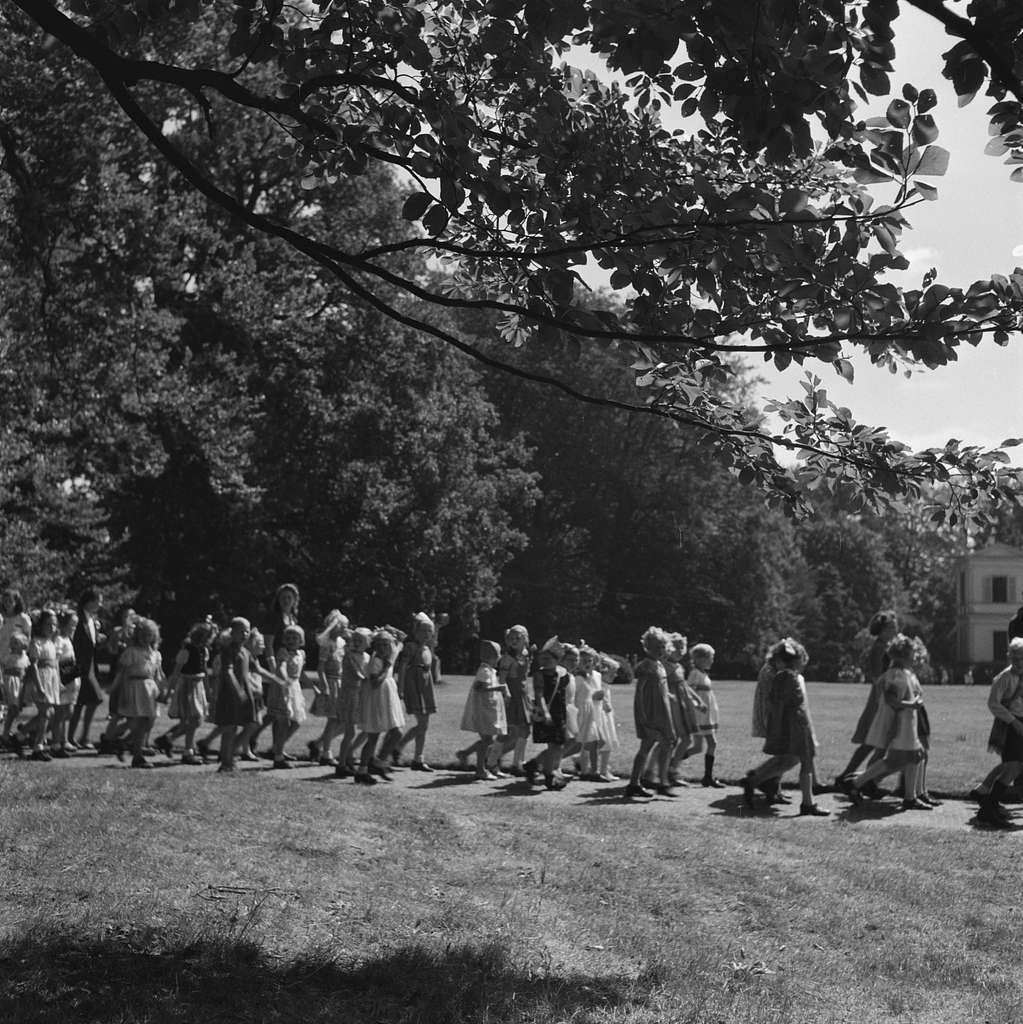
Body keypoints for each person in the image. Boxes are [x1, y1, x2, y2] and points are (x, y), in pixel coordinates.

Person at [742, 638, 829, 816]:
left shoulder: (784, 676)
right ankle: (807, 803)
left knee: (796, 760)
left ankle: (755, 780)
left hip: (796, 724)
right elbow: (780, 705)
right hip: (794, 726)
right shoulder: (787, 677)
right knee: (802, 760)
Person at [846, 634, 934, 810]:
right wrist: (912, 704)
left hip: (907, 723)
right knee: (904, 758)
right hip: (900, 724)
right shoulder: (895, 675)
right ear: (902, 656)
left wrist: (915, 699)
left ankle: (858, 783)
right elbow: (891, 700)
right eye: (911, 653)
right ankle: (856, 783)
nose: (914, 656)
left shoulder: (905, 673)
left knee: (909, 758)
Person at [836, 610, 899, 793]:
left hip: (884, 696)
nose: (895, 630)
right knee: (874, 742)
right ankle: (864, 781)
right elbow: (877, 676)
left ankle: (850, 777)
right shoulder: (879, 647)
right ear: (883, 629)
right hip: (881, 697)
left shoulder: (886, 646)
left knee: (872, 743)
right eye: (892, 627)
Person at [972, 637, 1023, 828]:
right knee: (1012, 768)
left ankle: (987, 802)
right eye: (1015, 658)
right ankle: (987, 809)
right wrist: (1013, 722)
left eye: (1022, 658)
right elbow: (993, 703)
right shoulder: (1004, 677)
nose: (1019, 662)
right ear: (1009, 657)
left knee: (1015, 768)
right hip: (1010, 725)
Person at [156, 620, 217, 765]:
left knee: (194, 720)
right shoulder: (187, 650)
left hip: (198, 685)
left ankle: (168, 740)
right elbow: (176, 672)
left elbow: (204, 671)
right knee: (193, 719)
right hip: (187, 686)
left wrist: (208, 692)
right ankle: (187, 751)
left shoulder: (204, 651)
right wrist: (168, 692)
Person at [627, 627, 677, 799]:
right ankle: (634, 783)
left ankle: (661, 781)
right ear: (647, 647)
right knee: (646, 746)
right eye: (656, 647)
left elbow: (661, 688)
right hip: (651, 713)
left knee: (668, 743)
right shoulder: (646, 666)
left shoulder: (660, 666)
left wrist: (669, 697)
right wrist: (642, 716)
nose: (660, 650)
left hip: (662, 712)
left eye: (662, 647)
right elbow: (640, 692)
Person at [112, 617, 165, 769]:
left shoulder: (155, 654)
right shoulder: (132, 652)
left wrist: (163, 690)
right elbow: (121, 672)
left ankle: (125, 743)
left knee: (149, 721)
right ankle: (137, 755)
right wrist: (117, 688)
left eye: (149, 635)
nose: (145, 638)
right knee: (137, 721)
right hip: (135, 687)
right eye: (142, 634)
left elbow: (158, 674)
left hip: (150, 689)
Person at [355, 629, 405, 785]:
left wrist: (390, 630)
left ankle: (379, 761)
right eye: (380, 644)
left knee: (397, 731)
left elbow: (402, 638)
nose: (384, 648)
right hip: (377, 701)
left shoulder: (391, 653)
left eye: (387, 644)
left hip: (388, 699)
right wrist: (387, 666)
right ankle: (363, 770)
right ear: (375, 646)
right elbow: (375, 683)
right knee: (373, 736)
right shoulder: (376, 661)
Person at [523, 636, 574, 791]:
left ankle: (534, 766)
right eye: (542, 658)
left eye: (548, 658)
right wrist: (546, 713)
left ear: (557, 659)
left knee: (559, 745)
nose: (544, 661)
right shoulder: (539, 675)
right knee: (554, 745)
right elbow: (539, 695)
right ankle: (549, 775)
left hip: (560, 714)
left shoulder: (562, 674)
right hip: (548, 713)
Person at [211, 618, 259, 773]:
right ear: (232, 632)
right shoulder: (228, 650)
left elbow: (257, 669)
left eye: (247, 630)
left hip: (246, 692)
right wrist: (238, 690)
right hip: (231, 694)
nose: (245, 634)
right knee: (230, 728)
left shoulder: (246, 651)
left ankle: (229, 756)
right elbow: (228, 671)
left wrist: (277, 679)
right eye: (241, 631)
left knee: (251, 724)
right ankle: (226, 762)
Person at [456, 639, 509, 780]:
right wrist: (499, 688)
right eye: (498, 655)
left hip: (487, 710)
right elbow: (479, 687)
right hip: (482, 710)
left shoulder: (490, 670)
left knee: (487, 740)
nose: (499, 658)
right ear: (492, 657)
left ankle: (466, 755)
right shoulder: (484, 670)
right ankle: (480, 769)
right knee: (487, 740)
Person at [394, 612, 440, 771]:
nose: (427, 634)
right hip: (414, 686)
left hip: (426, 687)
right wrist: (400, 689)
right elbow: (402, 668)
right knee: (422, 724)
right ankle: (399, 746)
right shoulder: (411, 647)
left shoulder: (427, 648)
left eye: (430, 631)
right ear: (416, 632)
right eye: (423, 631)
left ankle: (418, 758)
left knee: (424, 724)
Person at [486, 625, 532, 776]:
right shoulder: (507, 658)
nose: (514, 641)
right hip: (511, 697)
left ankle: (518, 763)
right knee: (506, 731)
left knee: (525, 730)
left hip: (522, 696)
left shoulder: (525, 654)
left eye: (518, 638)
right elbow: (502, 679)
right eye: (511, 638)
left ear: (525, 639)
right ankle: (492, 762)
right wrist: (504, 696)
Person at [310, 610, 349, 767]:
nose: (345, 629)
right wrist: (324, 686)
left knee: (343, 721)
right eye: (342, 626)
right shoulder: (327, 645)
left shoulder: (342, 643)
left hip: (340, 683)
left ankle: (318, 744)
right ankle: (326, 753)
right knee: (333, 719)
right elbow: (320, 668)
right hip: (331, 683)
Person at [68, 588, 104, 749]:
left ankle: (83, 736)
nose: (100, 604)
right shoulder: (78, 618)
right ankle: (71, 737)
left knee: (88, 701)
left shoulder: (92, 620)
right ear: (89, 601)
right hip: (80, 666)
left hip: (90, 666)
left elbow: (92, 642)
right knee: (82, 702)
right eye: (98, 601)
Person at [268, 624, 307, 769]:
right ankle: (278, 757)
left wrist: (314, 686)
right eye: (289, 637)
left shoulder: (301, 654)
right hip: (283, 688)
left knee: (296, 721)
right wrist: (285, 680)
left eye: (295, 637)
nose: (291, 640)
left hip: (295, 688)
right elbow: (281, 667)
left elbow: (301, 673)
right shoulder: (283, 652)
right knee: (283, 722)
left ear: (300, 640)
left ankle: (278, 748)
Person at [25, 609, 62, 762]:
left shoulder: (51, 643)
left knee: (49, 713)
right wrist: (39, 686)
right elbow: (33, 665)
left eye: (54, 625)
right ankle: (37, 747)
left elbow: (55, 665)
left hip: (51, 679)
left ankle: (21, 735)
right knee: (46, 713)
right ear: (41, 625)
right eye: (48, 624)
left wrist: (59, 682)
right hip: (42, 678)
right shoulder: (36, 642)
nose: (51, 628)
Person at [334, 626, 370, 778]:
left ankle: (349, 755)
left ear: (367, 643)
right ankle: (341, 764)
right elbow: (357, 674)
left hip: (362, 696)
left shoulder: (368, 657)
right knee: (350, 732)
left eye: (360, 640)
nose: (356, 643)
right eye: (355, 639)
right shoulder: (348, 656)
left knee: (368, 729)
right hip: (350, 695)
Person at [686, 643, 723, 787]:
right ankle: (708, 777)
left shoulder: (702, 674)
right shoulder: (695, 673)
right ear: (701, 659)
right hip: (701, 715)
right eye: (710, 658)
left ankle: (671, 764)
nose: (712, 661)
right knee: (712, 743)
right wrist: (698, 705)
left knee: (697, 748)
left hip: (706, 714)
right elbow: (689, 691)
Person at [51, 608, 81, 757]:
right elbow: (56, 660)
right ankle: (56, 743)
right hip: (63, 678)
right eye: (72, 625)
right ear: (63, 624)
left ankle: (63, 739)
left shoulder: (68, 639)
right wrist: (58, 680)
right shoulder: (59, 640)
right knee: (60, 713)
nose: (73, 628)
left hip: (71, 679)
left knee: (68, 711)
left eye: (75, 625)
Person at [1, 631, 30, 750]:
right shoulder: (8, 657)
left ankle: (8, 731)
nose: (13, 645)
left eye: (16, 643)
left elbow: (27, 669)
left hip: (21, 683)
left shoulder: (25, 657)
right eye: (12, 643)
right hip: (11, 683)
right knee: (13, 709)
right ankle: (5, 733)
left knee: (16, 710)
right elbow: (3, 667)